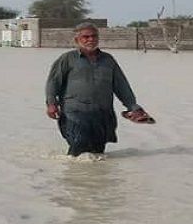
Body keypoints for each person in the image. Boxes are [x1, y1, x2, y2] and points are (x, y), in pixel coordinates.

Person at [45, 22, 150, 156]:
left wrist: (133, 107)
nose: (91, 39)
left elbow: (121, 86)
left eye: (94, 36)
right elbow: (53, 82)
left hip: (102, 114)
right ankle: (70, 170)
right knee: (79, 144)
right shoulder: (67, 59)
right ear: (77, 40)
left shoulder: (108, 60)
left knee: (97, 153)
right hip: (74, 113)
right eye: (86, 37)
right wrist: (51, 103)